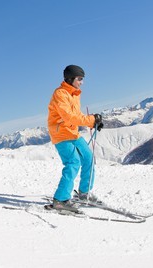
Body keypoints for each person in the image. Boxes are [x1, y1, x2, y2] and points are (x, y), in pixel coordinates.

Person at [47, 65, 104, 212]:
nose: (81, 82)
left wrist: (93, 122)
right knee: (73, 162)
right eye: (79, 79)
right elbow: (68, 116)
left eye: (82, 79)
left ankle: (84, 193)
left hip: (72, 132)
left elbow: (76, 116)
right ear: (70, 78)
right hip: (61, 134)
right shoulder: (60, 94)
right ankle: (60, 200)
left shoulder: (74, 94)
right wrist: (91, 120)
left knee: (88, 158)